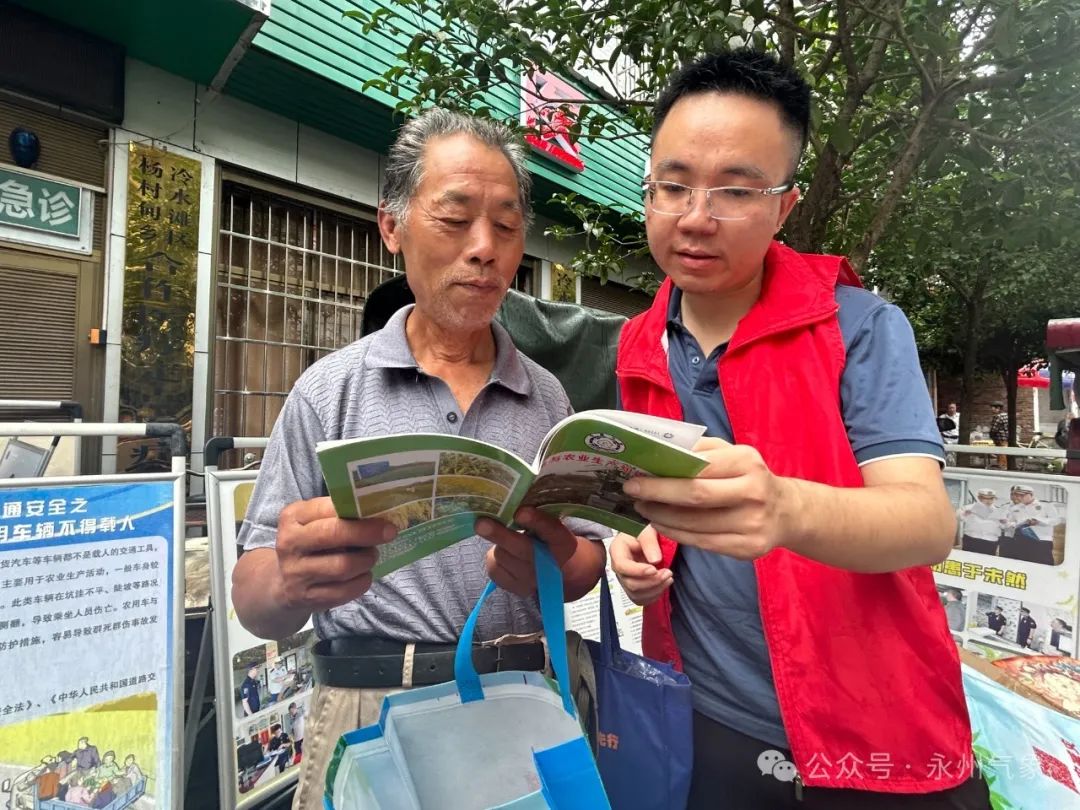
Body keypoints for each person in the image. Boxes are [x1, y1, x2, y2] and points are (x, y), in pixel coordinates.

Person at [610, 49, 987, 808]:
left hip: (873, 731)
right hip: (703, 714)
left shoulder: (863, 327)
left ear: (785, 205)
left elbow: (925, 522)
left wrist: (785, 509)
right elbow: (656, 500)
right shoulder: (638, 344)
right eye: (674, 185)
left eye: (736, 191)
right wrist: (634, 547)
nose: (695, 216)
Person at [231, 108, 607, 810]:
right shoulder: (328, 392)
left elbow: (585, 564)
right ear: (392, 226)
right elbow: (253, 602)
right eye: (455, 218)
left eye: (505, 224)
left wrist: (558, 562)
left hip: (520, 707)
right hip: (369, 708)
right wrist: (290, 579)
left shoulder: (548, 397)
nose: (485, 248)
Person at [1006, 485, 1062, 565]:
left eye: (1022, 495)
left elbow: (1057, 520)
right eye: (1017, 495)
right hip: (1021, 541)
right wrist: (1020, 523)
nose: (1019, 497)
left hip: (1041, 541)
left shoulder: (1046, 505)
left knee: (1043, 566)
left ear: (1031, 494)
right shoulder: (1015, 508)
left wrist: (1039, 521)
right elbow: (1009, 523)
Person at [958, 489, 1003, 556]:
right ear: (979, 498)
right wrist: (965, 514)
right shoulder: (969, 508)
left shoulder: (999, 511)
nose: (988, 501)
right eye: (985, 498)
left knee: (987, 563)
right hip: (971, 539)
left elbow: (1005, 526)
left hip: (990, 541)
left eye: (991, 498)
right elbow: (958, 517)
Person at [989, 402, 1009, 470]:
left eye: (993, 408)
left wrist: (991, 435)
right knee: (1004, 452)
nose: (992, 409)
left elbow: (994, 429)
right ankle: (1004, 465)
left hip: (999, 438)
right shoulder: (1006, 415)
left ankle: (1002, 466)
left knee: (1001, 453)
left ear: (998, 408)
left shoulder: (998, 416)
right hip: (1006, 438)